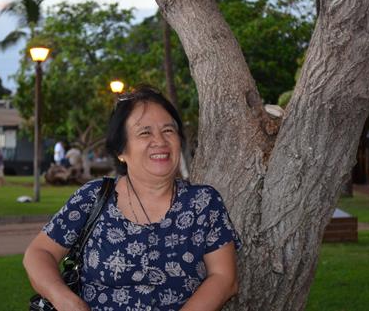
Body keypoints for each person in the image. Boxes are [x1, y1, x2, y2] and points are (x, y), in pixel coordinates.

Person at [24, 85, 241, 310]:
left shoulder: (204, 203)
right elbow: (39, 253)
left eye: (168, 130)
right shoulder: (94, 196)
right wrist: (65, 299)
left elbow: (224, 278)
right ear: (121, 151)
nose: (160, 141)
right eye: (144, 132)